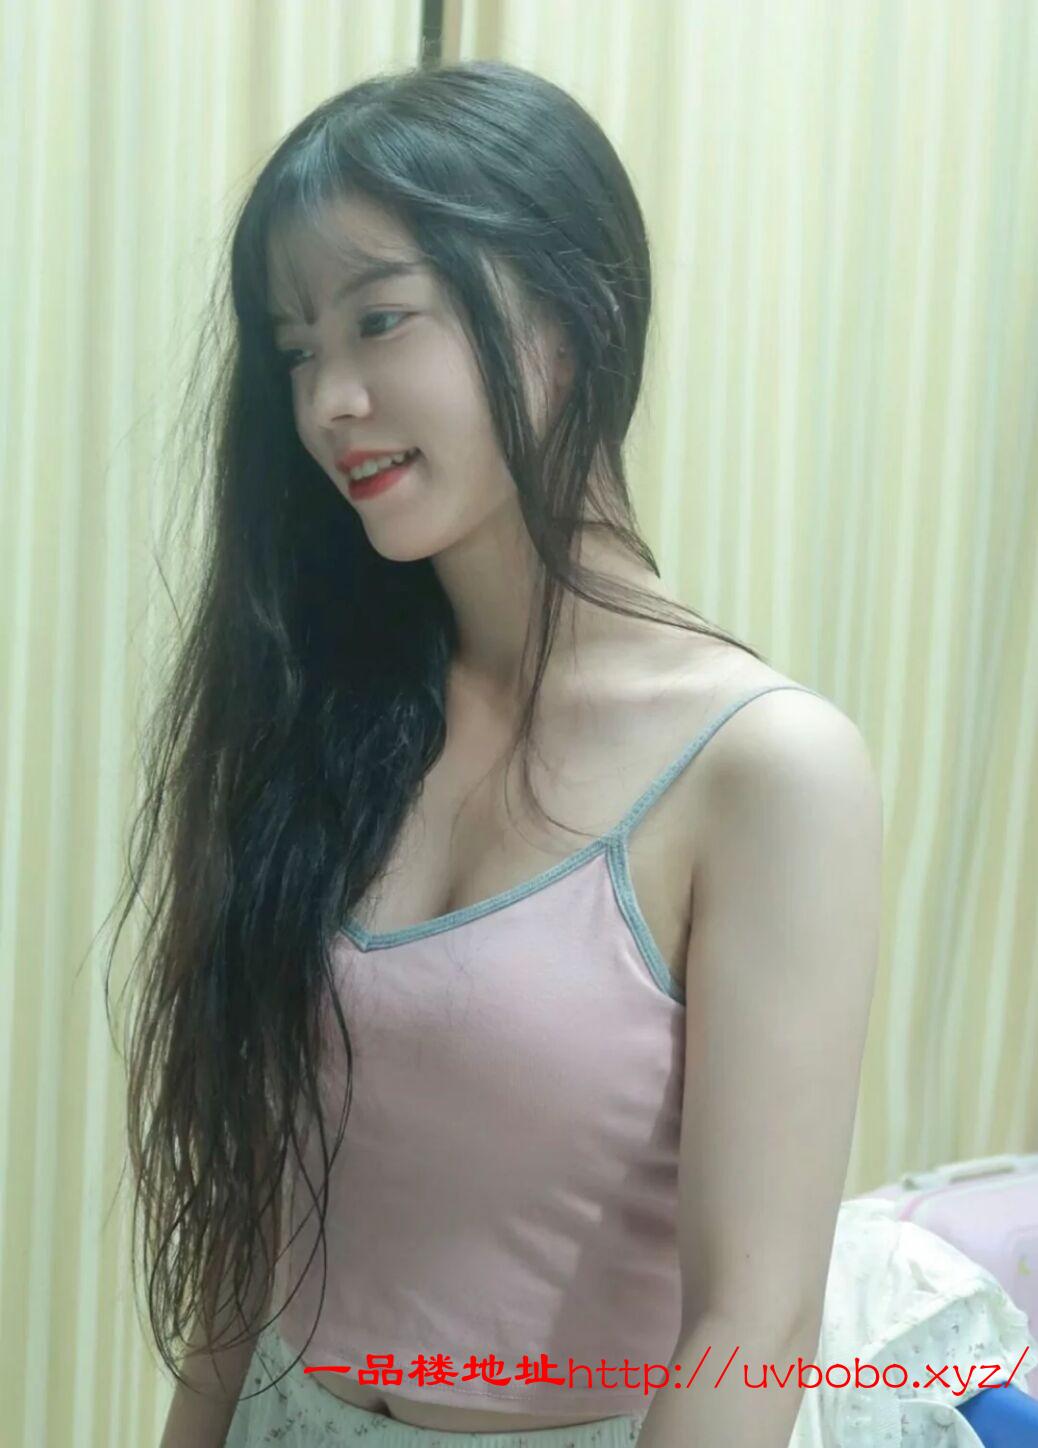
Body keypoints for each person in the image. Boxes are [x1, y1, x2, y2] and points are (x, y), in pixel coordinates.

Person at [102, 58, 1032, 1448]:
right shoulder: (310, 717)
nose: (328, 400)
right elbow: (251, 1224)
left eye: (380, 320)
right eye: (296, 350)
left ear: (570, 315)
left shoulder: (763, 770)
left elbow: (752, 1321)